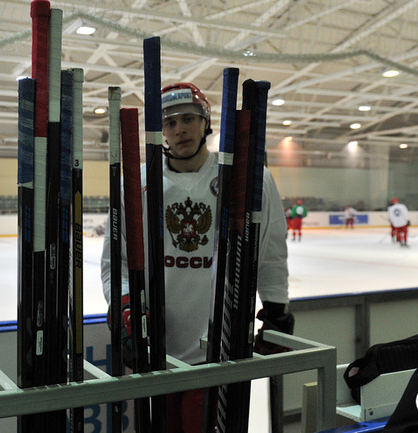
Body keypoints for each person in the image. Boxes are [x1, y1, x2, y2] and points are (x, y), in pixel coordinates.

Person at [101, 82, 292, 433]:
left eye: (188, 118)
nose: (180, 129)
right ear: (161, 131)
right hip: (156, 352)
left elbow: (269, 253)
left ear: (206, 123)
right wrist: (126, 310)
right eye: (170, 122)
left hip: (218, 351)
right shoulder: (137, 183)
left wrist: (276, 310)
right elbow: (117, 265)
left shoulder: (247, 179)